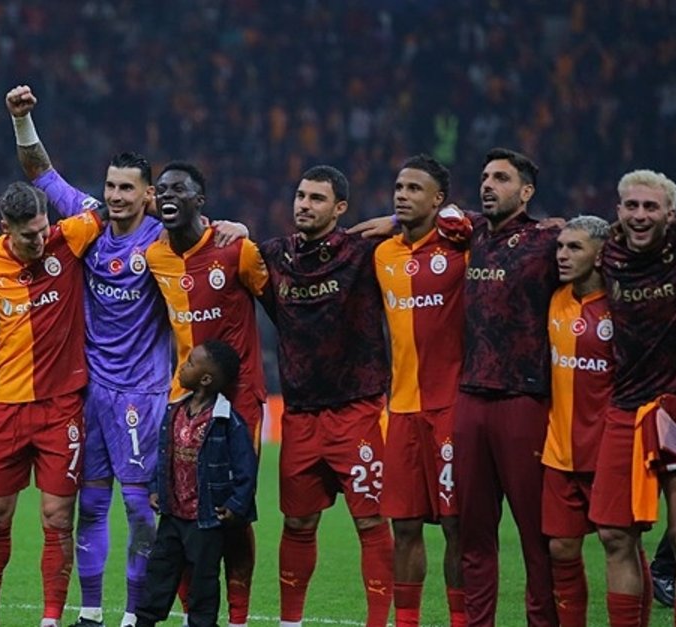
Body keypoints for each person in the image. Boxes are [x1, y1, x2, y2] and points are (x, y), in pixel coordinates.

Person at [5, 85, 246, 627]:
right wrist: (22, 120)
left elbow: (211, 240)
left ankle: (136, 614)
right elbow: (40, 173)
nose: (114, 196)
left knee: (141, 511)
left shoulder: (164, 239)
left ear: (147, 195)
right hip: (89, 391)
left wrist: (237, 227)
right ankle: (91, 612)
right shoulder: (89, 219)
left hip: (142, 394)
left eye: (126, 188)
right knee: (90, 506)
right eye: (110, 185)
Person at [256, 165, 394, 627]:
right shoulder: (275, 256)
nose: (304, 204)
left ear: (340, 208)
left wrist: (398, 220)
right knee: (297, 523)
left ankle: (378, 622)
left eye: (317, 198)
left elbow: (446, 226)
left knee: (370, 521)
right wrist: (228, 229)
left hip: (357, 411)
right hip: (299, 415)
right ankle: (289, 622)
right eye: (301, 195)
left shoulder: (363, 252)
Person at [0, 181, 104, 627]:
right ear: (6, 228)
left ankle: (50, 619)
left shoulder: (70, 237)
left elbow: (120, 209)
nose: (40, 240)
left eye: (44, 229)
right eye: (29, 235)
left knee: (57, 517)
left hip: (61, 408)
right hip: (6, 405)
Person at [144, 162, 266, 627]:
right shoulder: (155, 255)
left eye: (180, 188)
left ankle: (237, 618)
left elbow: (277, 302)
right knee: (178, 515)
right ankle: (194, 613)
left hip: (239, 399)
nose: (168, 194)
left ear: (200, 199)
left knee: (233, 514)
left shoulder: (235, 249)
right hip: (183, 400)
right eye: (162, 189)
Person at [454, 148, 560, 626]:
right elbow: (411, 217)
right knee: (473, 534)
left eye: (501, 178)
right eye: (484, 177)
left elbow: (600, 241)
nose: (488, 185)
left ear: (526, 191)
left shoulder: (549, 240)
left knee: (537, 535)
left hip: (524, 397)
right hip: (471, 395)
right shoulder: (469, 232)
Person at [373, 155, 470, 627]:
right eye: (399, 187)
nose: (402, 195)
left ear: (438, 200)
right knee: (405, 525)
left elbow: (492, 226)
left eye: (414, 189)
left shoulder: (461, 248)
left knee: (456, 525)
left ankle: (461, 621)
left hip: (451, 406)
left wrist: (456, 219)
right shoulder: (383, 254)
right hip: (402, 409)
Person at [590, 169, 676, 626]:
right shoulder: (605, 251)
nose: (640, 215)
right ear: (618, 210)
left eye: (651, 207)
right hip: (626, 406)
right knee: (614, 534)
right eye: (632, 205)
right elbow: (554, 236)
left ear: (670, 213)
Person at [134, 339, 257, 627]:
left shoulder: (228, 421)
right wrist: (155, 488)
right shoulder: (174, 411)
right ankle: (144, 621)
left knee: (204, 580)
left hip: (206, 521)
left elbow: (245, 468)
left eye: (189, 363)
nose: (182, 366)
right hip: (173, 515)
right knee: (159, 572)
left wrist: (235, 505)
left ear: (205, 379)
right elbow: (163, 455)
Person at [540, 215, 612, 627]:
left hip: (607, 450)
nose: (562, 255)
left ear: (600, 256)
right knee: (562, 549)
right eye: (560, 247)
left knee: (618, 544)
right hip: (559, 451)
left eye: (574, 248)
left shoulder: (619, 306)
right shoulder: (554, 298)